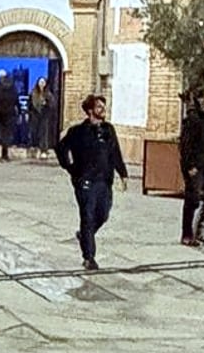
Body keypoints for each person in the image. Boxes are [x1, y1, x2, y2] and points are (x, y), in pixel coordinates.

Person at [55, 94, 129, 271]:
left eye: (103, 107)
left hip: (104, 180)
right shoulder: (78, 132)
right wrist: (70, 168)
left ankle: (84, 235)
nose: (103, 110)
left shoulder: (108, 130)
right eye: (99, 107)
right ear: (90, 111)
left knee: (103, 214)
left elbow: (115, 153)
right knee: (87, 216)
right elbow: (60, 148)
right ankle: (89, 257)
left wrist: (123, 174)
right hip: (85, 181)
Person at [178, 89, 204, 247]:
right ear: (200, 99)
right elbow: (185, 144)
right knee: (192, 199)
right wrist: (189, 165)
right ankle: (187, 234)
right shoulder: (193, 118)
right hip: (195, 166)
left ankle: (200, 229)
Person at [0, 71, 21, 160]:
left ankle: (4, 151)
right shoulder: (12, 87)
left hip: (0, 113)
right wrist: (19, 111)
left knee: (2, 132)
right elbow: (16, 100)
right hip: (10, 113)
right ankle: (5, 151)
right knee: (7, 132)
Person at [26, 80, 56, 159]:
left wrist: (46, 104)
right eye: (40, 82)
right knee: (33, 133)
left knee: (44, 133)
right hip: (34, 116)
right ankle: (33, 149)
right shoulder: (33, 93)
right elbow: (29, 105)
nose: (42, 84)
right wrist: (29, 113)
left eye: (43, 83)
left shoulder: (48, 94)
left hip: (44, 116)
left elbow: (52, 105)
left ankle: (43, 151)